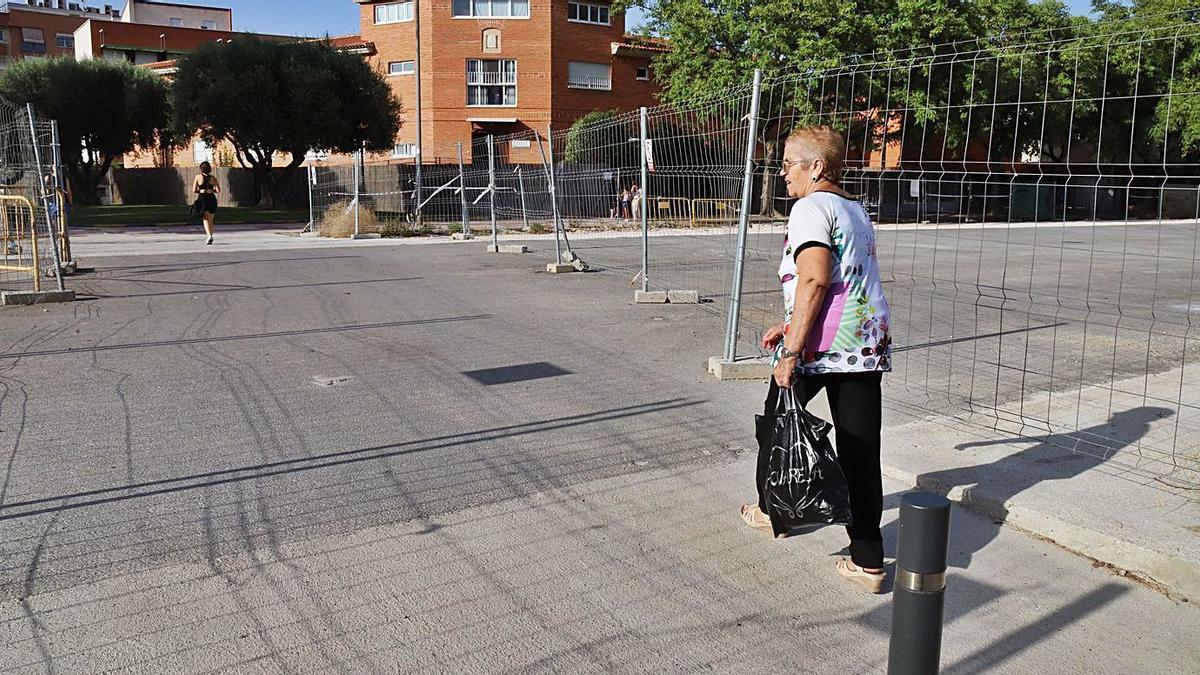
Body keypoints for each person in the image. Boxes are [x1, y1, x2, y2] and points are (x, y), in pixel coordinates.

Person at [740, 125, 893, 594]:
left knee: (778, 424)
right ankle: (869, 559)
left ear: (817, 167)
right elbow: (845, 281)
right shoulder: (854, 208)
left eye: (789, 163)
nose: (782, 172)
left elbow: (815, 280)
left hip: (817, 349)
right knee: (861, 450)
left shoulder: (809, 207)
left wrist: (792, 348)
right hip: (864, 345)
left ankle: (773, 509)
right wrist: (788, 325)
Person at [193, 161, 220, 245]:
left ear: (201, 169)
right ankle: (211, 235)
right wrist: (212, 190)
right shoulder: (213, 178)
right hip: (211, 198)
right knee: (211, 219)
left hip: (202, 198)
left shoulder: (198, 177)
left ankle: (209, 236)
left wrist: (201, 190)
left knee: (205, 218)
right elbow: (218, 190)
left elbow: (194, 190)